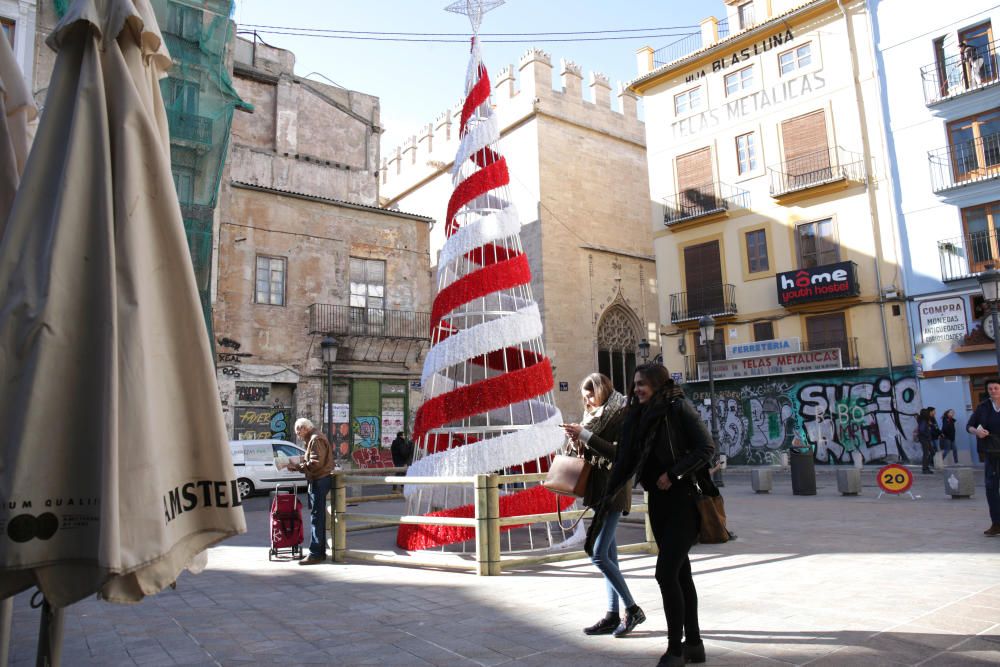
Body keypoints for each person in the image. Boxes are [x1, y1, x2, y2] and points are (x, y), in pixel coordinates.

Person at [603, 364, 715, 666]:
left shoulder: (677, 407)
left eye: (643, 383)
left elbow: (706, 447)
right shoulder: (638, 416)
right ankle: (694, 644)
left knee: (665, 574)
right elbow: (627, 457)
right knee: (681, 574)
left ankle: (675, 649)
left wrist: (674, 474)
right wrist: (608, 491)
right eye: (635, 383)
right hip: (659, 503)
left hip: (683, 500)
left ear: (657, 383)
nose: (637, 388)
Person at [561, 373, 644, 638]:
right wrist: (576, 441)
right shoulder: (593, 416)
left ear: (602, 391)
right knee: (610, 556)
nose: (587, 402)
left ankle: (632, 610)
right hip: (598, 489)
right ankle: (611, 614)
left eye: (590, 396)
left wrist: (584, 434)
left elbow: (619, 454)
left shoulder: (621, 413)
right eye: (584, 398)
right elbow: (589, 452)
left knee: (597, 554)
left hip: (615, 489)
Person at [290, 418, 335, 564]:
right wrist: (299, 463)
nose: (297, 433)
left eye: (298, 430)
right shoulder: (314, 438)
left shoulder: (315, 439)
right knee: (317, 516)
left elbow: (316, 464)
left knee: (317, 517)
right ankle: (318, 551)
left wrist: (298, 466)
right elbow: (315, 460)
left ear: (304, 428)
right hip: (319, 479)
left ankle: (316, 553)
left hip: (320, 479)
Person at [966, 379, 1000, 537]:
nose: (993, 391)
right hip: (991, 452)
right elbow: (969, 426)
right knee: (991, 488)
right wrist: (977, 432)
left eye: (996, 388)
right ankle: (996, 523)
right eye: (990, 388)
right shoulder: (983, 407)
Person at [916, 407, 935, 474]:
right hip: (924, 439)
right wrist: (927, 434)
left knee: (932, 452)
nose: (929, 413)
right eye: (928, 412)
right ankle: (925, 468)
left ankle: (926, 467)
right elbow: (921, 430)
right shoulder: (923, 421)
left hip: (926, 439)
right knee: (926, 453)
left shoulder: (925, 420)